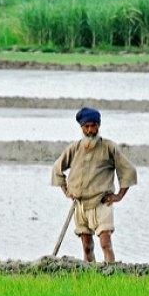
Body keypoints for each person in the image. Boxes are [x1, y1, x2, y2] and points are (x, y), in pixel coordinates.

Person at [51, 107, 137, 263]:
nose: (90, 130)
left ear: (99, 125)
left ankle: (110, 273)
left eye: (93, 125)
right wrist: (66, 191)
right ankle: (90, 276)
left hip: (102, 203)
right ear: (81, 128)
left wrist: (118, 196)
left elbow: (128, 171)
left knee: (105, 243)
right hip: (80, 205)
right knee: (87, 246)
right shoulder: (74, 148)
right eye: (86, 126)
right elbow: (57, 169)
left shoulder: (109, 147)